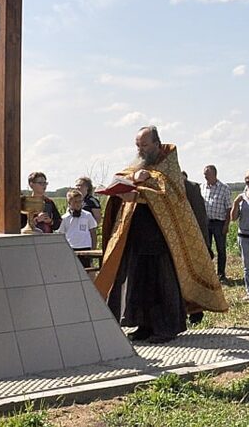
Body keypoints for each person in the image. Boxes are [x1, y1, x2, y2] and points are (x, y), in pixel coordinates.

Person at [97, 126, 227, 343]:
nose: (140, 150)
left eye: (145, 145)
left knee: (161, 284)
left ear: (157, 144)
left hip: (161, 239)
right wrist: (130, 186)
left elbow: (169, 195)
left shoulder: (169, 167)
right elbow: (121, 179)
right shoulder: (137, 167)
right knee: (139, 282)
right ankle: (143, 325)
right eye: (138, 145)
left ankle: (166, 328)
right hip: (137, 237)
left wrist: (140, 189)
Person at [200, 165, 232, 283]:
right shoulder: (202, 187)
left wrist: (226, 225)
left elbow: (229, 208)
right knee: (206, 248)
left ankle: (221, 274)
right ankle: (208, 273)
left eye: (207, 173)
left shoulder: (224, 188)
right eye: (204, 174)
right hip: (206, 222)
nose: (205, 176)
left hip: (219, 223)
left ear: (214, 174)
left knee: (221, 249)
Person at [58, 189, 98, 253]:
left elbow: (93, 232)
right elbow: (61, 235)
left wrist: (93, 249)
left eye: (80, 201)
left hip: (86, 247)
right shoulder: (64, 218)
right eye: (75, 202)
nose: (78, 204)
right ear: (69, 203)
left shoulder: (87, 215)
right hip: (70, 248)